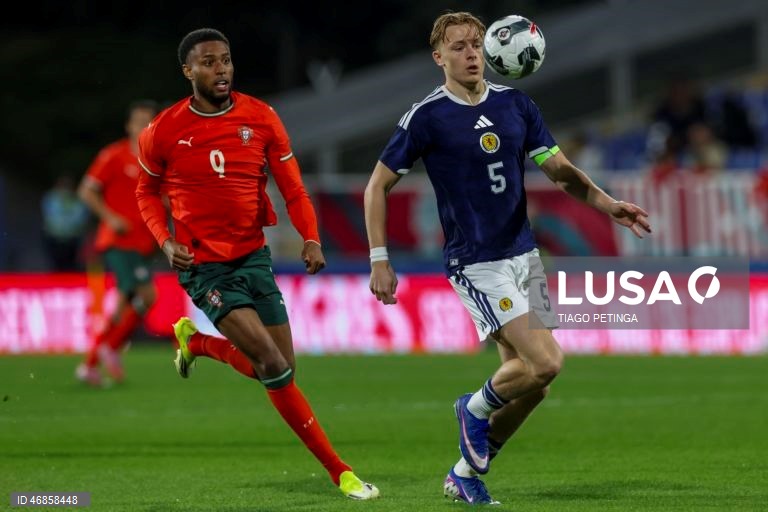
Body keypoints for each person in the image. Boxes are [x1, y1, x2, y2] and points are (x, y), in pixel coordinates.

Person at [364, 11, 651, 505]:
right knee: (547, 363)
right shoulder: (427, 117)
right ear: (439, 57)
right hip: (477, 262)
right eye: (458, 47)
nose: (470, 54)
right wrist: (378, 259)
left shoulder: (516, 105)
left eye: (476, 44)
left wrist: (609, 205)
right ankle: (472, 408)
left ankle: (463, 475)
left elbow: (560, 171)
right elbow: (376, 187)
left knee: (533, 386)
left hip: (525, 257)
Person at [134, 28, 378, 501]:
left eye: (225, 60)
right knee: (271, 364)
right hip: (204, 266)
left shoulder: (261, 117)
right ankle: (341, 472)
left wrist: (311, 237)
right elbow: (145, 192)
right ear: (188, 71)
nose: (221, 69)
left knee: (280, 367)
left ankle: (197, 343)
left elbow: (292, 187)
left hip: (253, 257)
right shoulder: (162, 130)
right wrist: (165, 241)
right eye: (208, 62)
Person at [75, 100, 162, 387]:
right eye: (139, 121)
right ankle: (108, 349)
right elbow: (87, 191)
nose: (144, 126)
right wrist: (110, 218)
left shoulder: (157, 161)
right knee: (146, 295)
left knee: (126, 301)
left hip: (143, 243)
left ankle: (92, 363)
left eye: (149, 122)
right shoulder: (113, 155)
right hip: (119, 241)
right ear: (129, 126)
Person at [40, 174, 89, 271]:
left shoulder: (78, 201)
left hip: (72, 238)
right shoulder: (51, 198)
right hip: (53, 237)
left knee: (70, 265)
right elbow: (51, 216)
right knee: (54, 265)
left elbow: (80, 218)